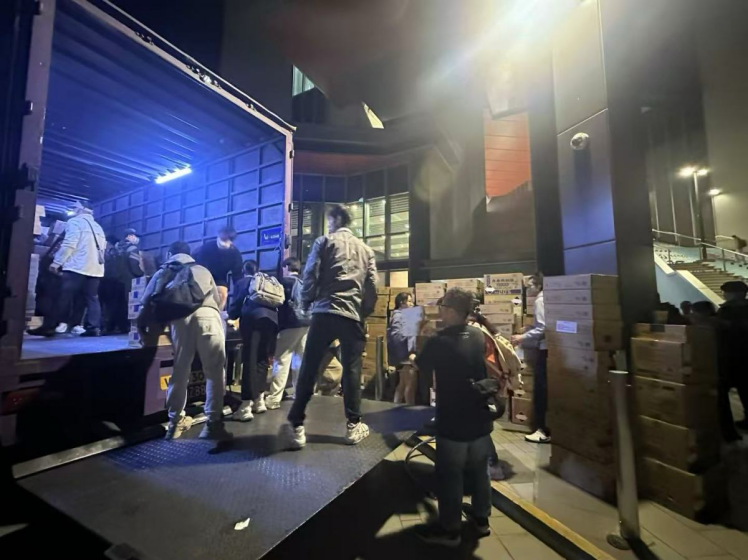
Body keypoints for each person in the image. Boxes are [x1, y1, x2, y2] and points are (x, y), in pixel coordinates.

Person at [280, 204, 378, 449]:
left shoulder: (324, 242)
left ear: (335, 219)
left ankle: (296, 425)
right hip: (351, 316)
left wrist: (306, 302)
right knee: (352, 369)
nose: (329, 225)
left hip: (324, 312)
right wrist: (362, 312)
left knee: (309, 366)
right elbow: (372, 286)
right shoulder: (366, 250)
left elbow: (311, 273)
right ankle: (353, 426)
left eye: (329, 220)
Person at [413, 288, 494, 547]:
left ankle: (450, 530)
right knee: (480, 471)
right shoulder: (478, 335)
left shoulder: (438, 341)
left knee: (450, 475)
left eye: (443, 308)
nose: (440, 312)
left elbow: (419, 366)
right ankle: (481, 520)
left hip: (453, 420)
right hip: (480, 417)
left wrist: (420, 340)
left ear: (451, 311)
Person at [138, 241, 231, 441]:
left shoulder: (163, 272)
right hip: (208, 317)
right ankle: (212, 424)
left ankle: (174, 424)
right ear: (190, 255)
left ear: (169, 253)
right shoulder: (202, 270)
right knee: (214, 372)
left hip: (180, 322)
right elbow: (217, 300)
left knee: (180, 371)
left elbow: (145, 303)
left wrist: (141, 329)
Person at [28, 200, 106, 338]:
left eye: (76, 207)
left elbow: (69, 244)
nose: (73, 209)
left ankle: (50, 327)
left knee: (62, 297)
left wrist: (57, 262)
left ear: (82, 209)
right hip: (95, 269)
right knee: (92, 298)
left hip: (77, 267)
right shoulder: (98, 227)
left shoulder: (75, 222)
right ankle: (93, 328)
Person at [229, 260, 279, 421]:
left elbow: (235, 306)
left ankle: (245, 406)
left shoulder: (243, 282)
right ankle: (259, 400)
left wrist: (232, 316)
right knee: (262, 359)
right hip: (272, 320)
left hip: (253, 321)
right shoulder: (266, 280)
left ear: (244, 270)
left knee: (250, 360)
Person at [267, 257, 310, 409]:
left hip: (289, 324)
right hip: (306, 324)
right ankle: (300, 394)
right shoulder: (305, 283)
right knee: (300, 360)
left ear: (286, 267)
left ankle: (274, 398)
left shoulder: (283, 283)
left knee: (282, 361)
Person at [512, 274, 550, 444]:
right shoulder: (548, 298)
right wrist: (529, 328)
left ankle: (542, 430)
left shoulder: (540, 301)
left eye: (530, 286)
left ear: (538, 285)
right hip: (550, 348)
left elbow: (543, 328)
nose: (528, 289)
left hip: (544, 349)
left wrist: (522, 337)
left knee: (541, 389)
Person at [717, 280, 748, 439]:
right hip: (742, 357)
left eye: (726, 292)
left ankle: (727, 430)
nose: (725, 295)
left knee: (721, 393)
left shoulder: (728, 310)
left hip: (730, 356)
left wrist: (720, 323)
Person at [102, 229, 144, 334]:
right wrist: (141, 274)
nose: (136, 238)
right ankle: (124, 327)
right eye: (134, 235)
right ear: (129, 236)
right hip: (128, 280)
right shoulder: (133, 249)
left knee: (114, 305)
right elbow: (134, 265)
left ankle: (110, 327)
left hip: (113, 280)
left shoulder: (115, 247)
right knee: (127, 304)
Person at [194, 226, 243, 310]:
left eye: (226, 240)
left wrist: (239, 296)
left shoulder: (235, 254)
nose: (223, 243)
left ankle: (217, 313)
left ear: (231, 241)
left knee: (222, 293)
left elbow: (237, 277)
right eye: (221, 239)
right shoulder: (206, 248)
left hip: (220, 278)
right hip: (202, 276)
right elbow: (198, 268)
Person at [388, 291, 418, 404]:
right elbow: (396, 335)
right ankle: (410, 407)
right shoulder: (399, 316)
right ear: (402, 303)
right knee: (410, 382)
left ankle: (396, 405)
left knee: (403, 383)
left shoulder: (403, 315)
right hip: (405, 354)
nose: (412, 304)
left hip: (404, 353)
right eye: (409, 301)